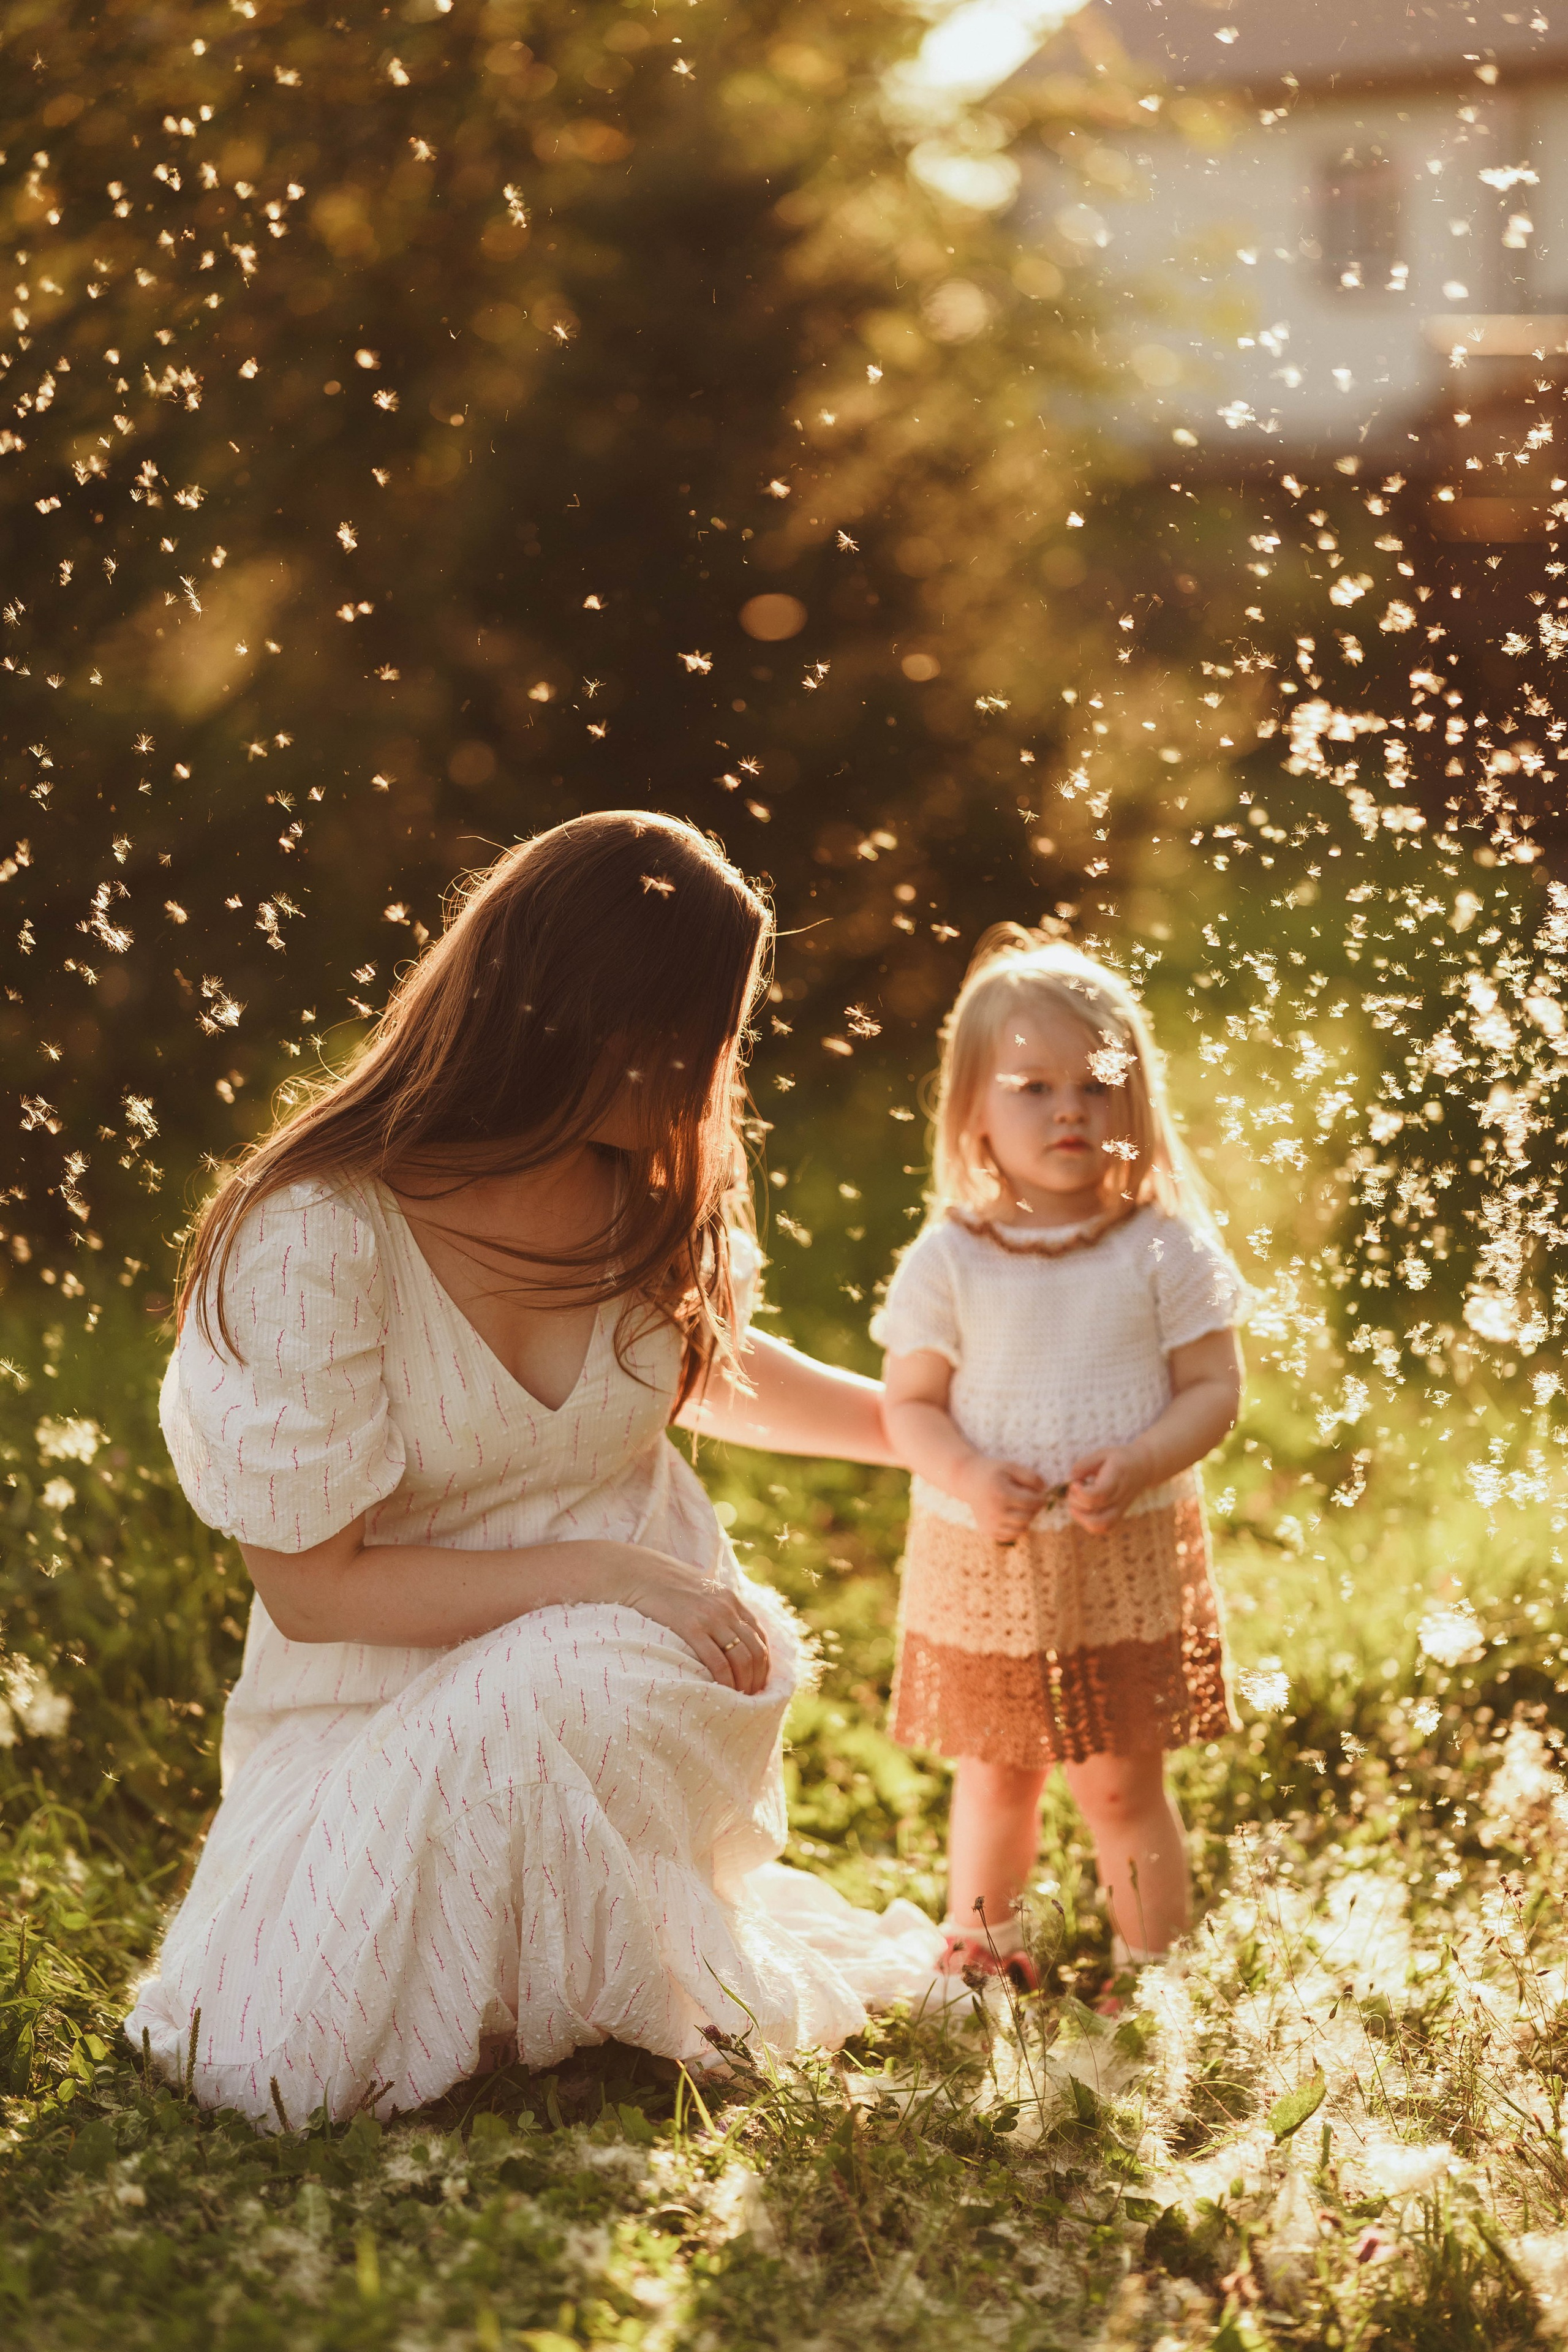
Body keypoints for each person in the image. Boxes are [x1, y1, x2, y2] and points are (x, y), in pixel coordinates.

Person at [127, 811, 941, 2125]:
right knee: (281, 2055)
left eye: (719, 1039)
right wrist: (616, 1576)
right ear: (581, 1014)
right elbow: (314, 1594)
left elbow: (705, 1363)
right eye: (694, 1036)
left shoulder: (634, 1184)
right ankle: (508, 1984)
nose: (712, 1072)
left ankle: (551, 1993)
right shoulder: (313, 1234)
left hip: (622, 1688)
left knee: (615, 1664)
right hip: (371, 1726)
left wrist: (923, 1433)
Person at [875, 926, 1245, 1989]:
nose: (1070, 1109)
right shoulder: (949, 1259)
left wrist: (1140, 1459)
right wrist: (967, 1474)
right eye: (1032, 1088)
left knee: (1123, 1785)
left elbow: (1215, 1390)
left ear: (1138, 1100)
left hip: (1119, 1553)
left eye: (1096, 1084)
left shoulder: (1161, 1246)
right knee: (997, 1777)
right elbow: (912, 1404)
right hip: (988, 1559)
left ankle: (1157, 1972)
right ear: (974, 1114)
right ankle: (983, 1957)